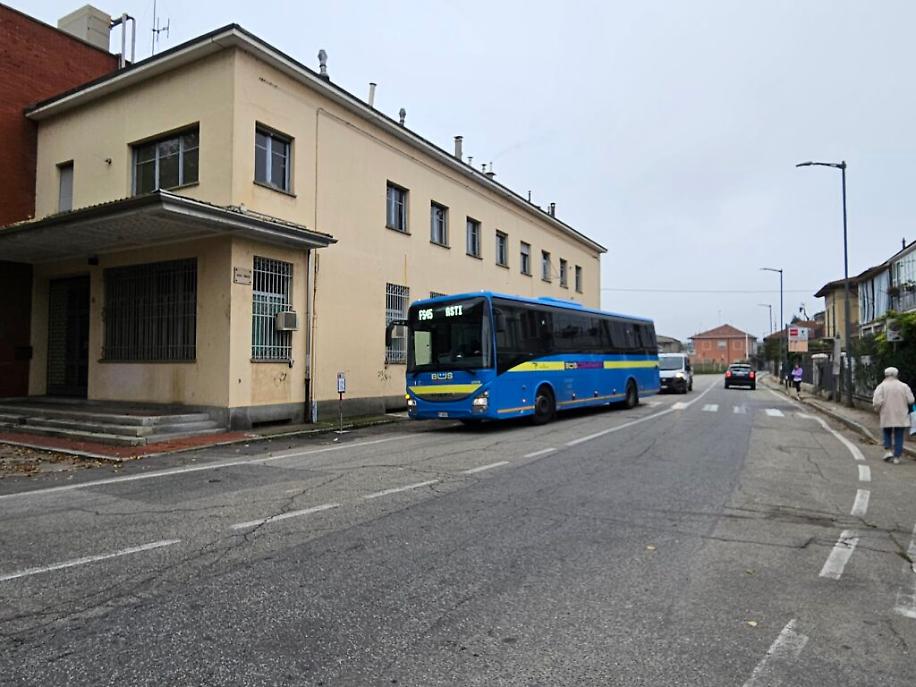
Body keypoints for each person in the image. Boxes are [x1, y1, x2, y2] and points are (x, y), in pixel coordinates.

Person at [872, 366, 915, 465]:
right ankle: (897, 457)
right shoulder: (904, 386)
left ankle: (888, 451)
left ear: (885, 375)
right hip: (901, 414)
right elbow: (911, 400)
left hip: (886, 413)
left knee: (887, 432)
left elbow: (877, 401)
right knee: (899, 435)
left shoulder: (881, 386)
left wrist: (877, 409)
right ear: (896, 374)